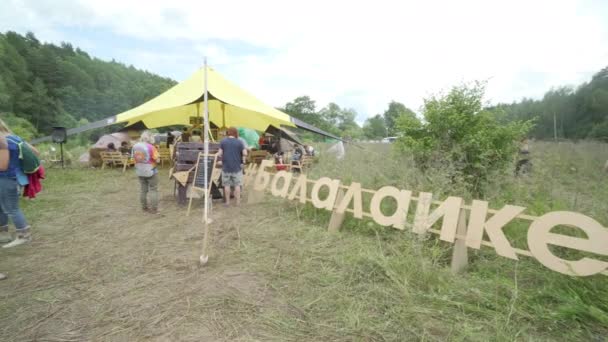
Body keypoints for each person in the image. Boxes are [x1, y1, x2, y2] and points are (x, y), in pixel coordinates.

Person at [0, 118, 35, 248]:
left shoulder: (2, 140)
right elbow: (35, 152)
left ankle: (24, 236)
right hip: (16, 177)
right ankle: (3, 234)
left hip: (6, 178)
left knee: (12, 208)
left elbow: (2, 165)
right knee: (2, 206)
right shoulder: (15, 138)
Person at [132, 131, 160, 214]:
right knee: (153, 190)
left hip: (140, 170)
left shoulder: (135, 146)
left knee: (143, 190)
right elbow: (157, 160)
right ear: (150, 138)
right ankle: (154, 209)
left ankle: (144, 207)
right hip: (151, 171)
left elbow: (133, 158)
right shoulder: (151, 147)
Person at [217, 127, 247, 206]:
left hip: (226, 167)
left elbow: (219, 153)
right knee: (237, 185)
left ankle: (227, 202)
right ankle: (237, 202)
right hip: (237, 167)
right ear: (235, 133)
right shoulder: (240, 142)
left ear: (228, 133)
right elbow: (245, 153)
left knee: (227, 185)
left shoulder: (223, 141)